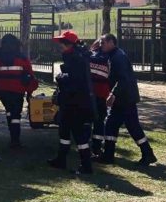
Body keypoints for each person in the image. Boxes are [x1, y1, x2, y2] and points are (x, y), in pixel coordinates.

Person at [98, 34, 157, 166]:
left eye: (103, 43)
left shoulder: (118, 57)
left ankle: (147, 153)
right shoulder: (114, 55)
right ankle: (108, 155)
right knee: (112, 125)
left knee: (131, 126)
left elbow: (123, 79)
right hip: (124, 98)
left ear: (111, 42)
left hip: (125, 98)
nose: (101, 45)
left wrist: (113, 94)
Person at [47, 30, 95, 175]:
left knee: (79, 134)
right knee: (64, 130)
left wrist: (61, 78)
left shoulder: (77, 58)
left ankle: (86, 166)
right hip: (70, 101)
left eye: (61, 43)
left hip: (77, 103)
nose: (59, 46)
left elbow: (76, 81)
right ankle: (61, 160)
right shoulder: (73, 56)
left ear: (68, 44)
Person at [0, 34, 38, 149]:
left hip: (1, 91)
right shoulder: (22, 58)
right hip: (18, 91)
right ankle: (15, 140)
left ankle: (13, 137)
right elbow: (30, 76)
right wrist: (30, 92)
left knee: (9, 111)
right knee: (16, 114)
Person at [89, 37, 111, 156]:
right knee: (99, 122)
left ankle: (85, 145)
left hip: (88, 94)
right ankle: (97, 147)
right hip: (102, 94)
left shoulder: (89, 56)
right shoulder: (109, 58)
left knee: (86, 121)